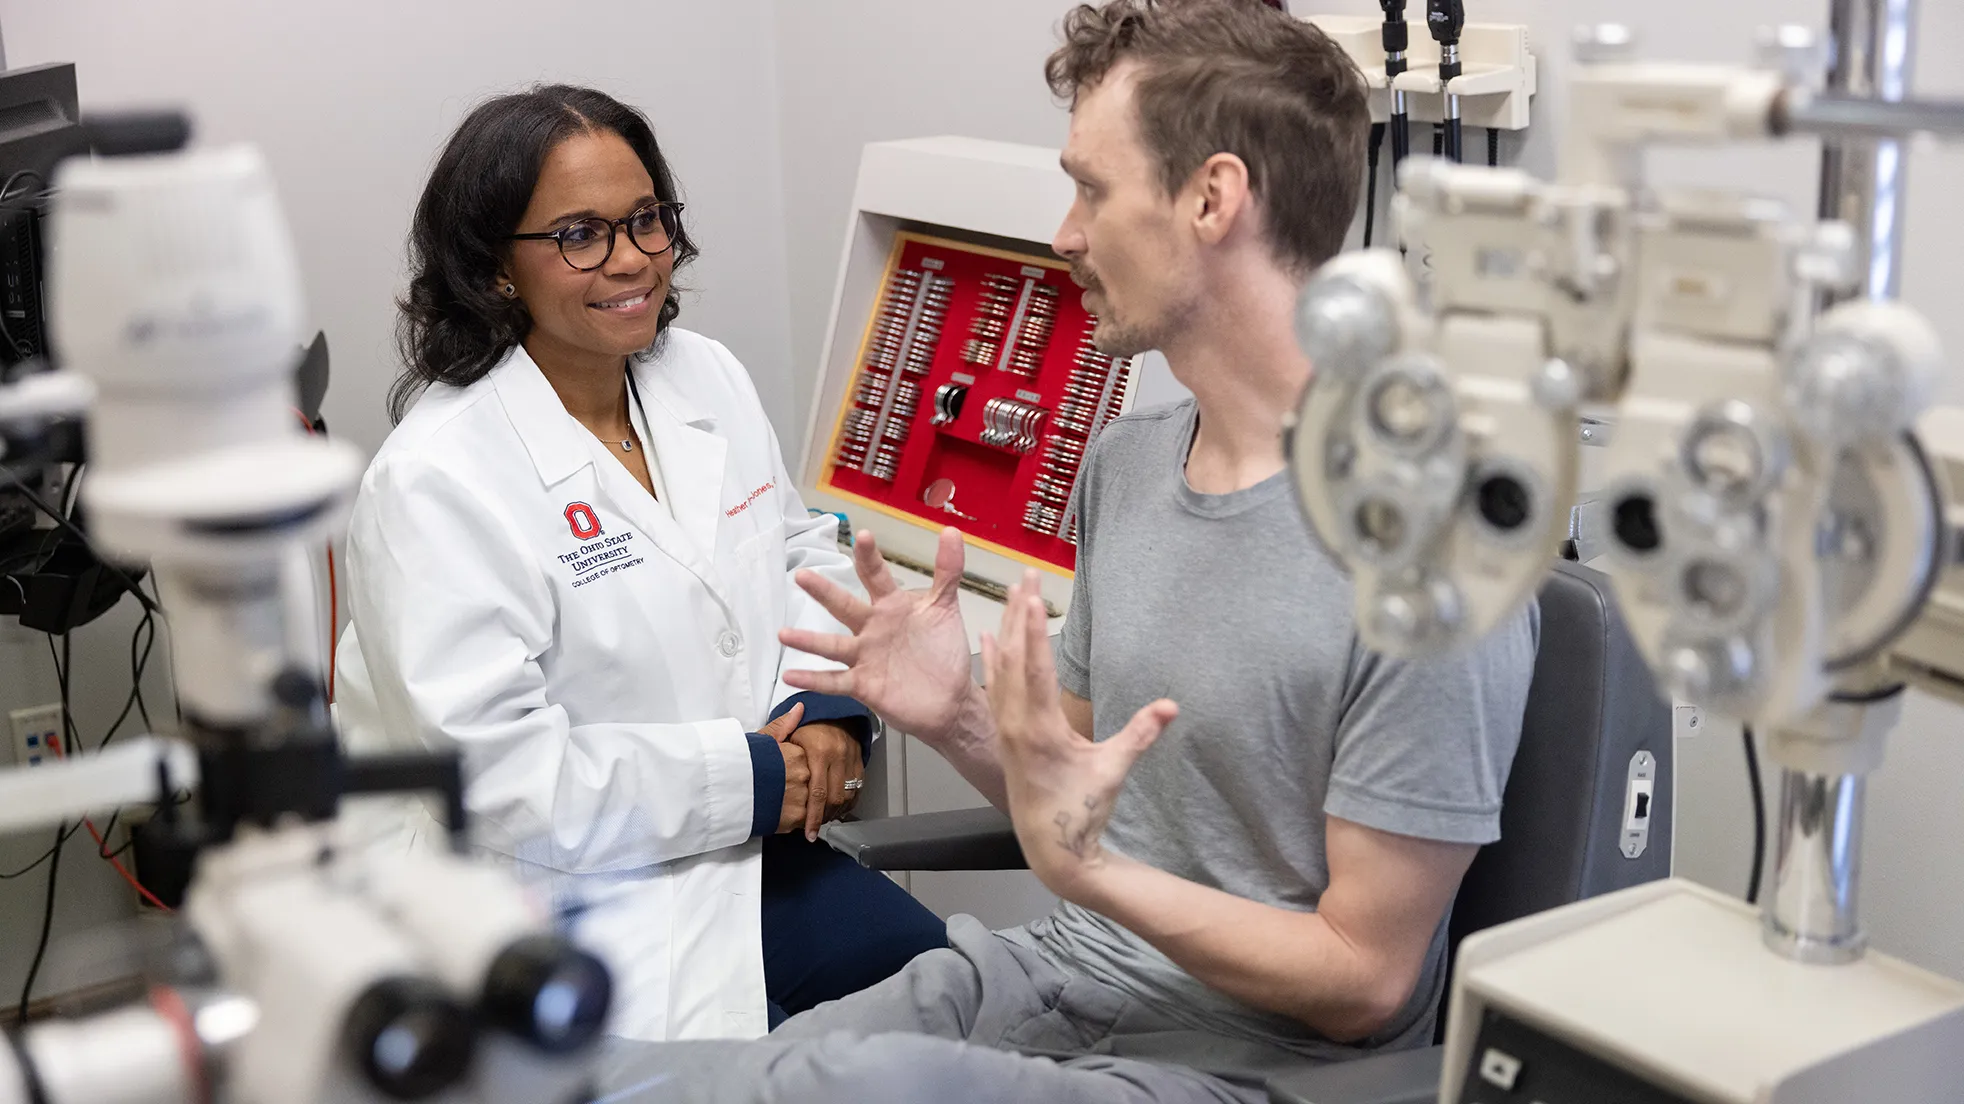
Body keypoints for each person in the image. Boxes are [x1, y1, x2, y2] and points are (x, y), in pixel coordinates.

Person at [597, 1, 1539, 1101]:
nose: (1064, 234)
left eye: (1091, 189)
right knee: (682, 1076)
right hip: (1075, 977)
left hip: (1264, 1067)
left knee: (841, 1090)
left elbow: (1364, 981)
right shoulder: (1130, 463)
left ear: (1211, 198)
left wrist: (1091, 875)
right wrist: (951, 713)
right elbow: (1077, 796)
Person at [330, 84, 946, 1042]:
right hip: (554, 899)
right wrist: (751, 778)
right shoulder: (436, 480)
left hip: (749, 852)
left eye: (647, 219)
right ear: (497, 268)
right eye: (579, 234)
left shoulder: (704, 375)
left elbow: (796, 551)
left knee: (952, 1004)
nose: (632, 260)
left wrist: (828, 713)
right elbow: (498, 777)